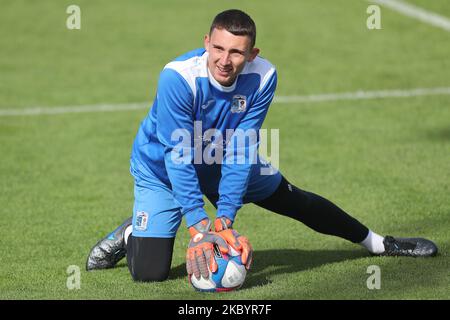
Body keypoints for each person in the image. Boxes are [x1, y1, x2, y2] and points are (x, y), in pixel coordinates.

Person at [86, 9, 438, 282]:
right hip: (162, 167)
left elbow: (241, 148)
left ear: (252, 53)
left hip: (221, 157)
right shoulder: (178, 78)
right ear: (206, 41)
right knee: (149, 272)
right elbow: (177, 154)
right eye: (218, 48)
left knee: (292, 198)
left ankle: (378, 243)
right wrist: (198, 226)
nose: (225, 60)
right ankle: (134, 229)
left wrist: (223, 218)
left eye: (237, 53)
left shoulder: (263, 77)